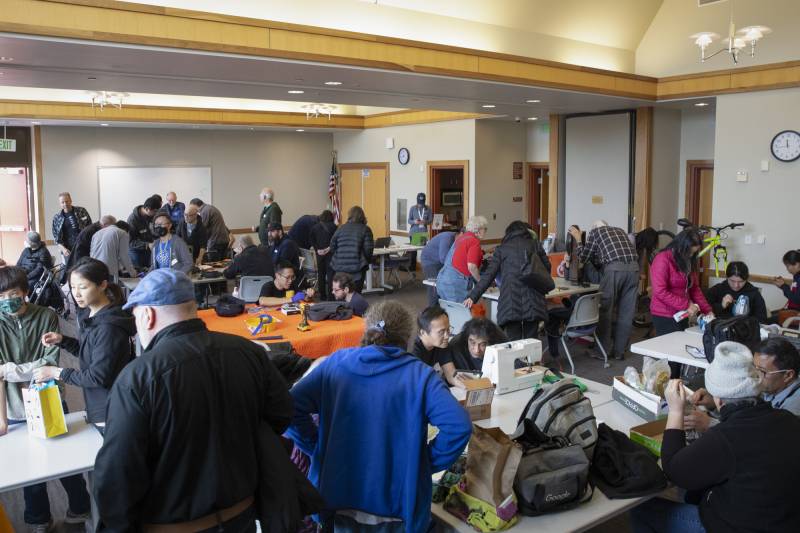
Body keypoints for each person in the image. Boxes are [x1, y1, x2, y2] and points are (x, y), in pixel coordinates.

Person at [92, 269, 296, 531]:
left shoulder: (137, 378)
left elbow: (117, 476)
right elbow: (281, 415)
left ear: (147, 315)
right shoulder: (248, 351)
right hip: (243, 516)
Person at [286, 300, 471, 532]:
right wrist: (424, 462)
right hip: (397, 505)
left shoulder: (335, 364)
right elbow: (459, 426)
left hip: (337, 497)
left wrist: (317, 446)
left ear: (368, 328)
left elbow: (288, 408)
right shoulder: (420, 375)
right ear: (408, 337)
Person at [630, 342, 800, 533]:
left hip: (744, 526)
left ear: (718, 398)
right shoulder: (788, 418)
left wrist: (675, 411)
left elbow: (674, 471)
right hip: (783, 520)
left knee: (640, 511)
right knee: (695, 488)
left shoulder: (725, 436)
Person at [0, 267, 91, 531]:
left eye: (13, 293)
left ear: (25, 293)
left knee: (65, 460)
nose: (7, 299)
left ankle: (80, 509)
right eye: (2, 295)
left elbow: (49, 363)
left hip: (49, 398)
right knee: (28, 470)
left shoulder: (46, 316)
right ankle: (38, 519)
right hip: (15, 407)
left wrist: (8, 370)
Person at [34, 258, 135, 427]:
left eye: (83, 287)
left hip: (111, 408)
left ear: (102, 285)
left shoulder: (108, 327)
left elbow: (96, 377)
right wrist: (63, 340)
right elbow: (92, 352)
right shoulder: (92, 314)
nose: (76, 293)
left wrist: (56, 372)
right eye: (73, 287)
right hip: (101, 404)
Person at [685, 338, 800, 435]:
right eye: (753, 368)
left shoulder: (794, 409)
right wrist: (719, 400)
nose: (754, 376)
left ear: (788, 375)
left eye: (762, 371)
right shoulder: (772, 387)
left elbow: (762, 439)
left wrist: (711, 425)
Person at [465, 221, 554, 341]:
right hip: (533, 299)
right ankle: (531, 360)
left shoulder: (501, 249)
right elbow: (547, 268)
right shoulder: (535, 245)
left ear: (509, 233)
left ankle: (516, 360)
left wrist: (473, 296)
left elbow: (488, 275)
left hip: (510, 302)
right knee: (532, 341)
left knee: (513, 342)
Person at [570, 221, 639, 360]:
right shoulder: (619, 229)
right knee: (627, 313)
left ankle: (601, 352)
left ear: (594, 228)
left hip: (614, 270)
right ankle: (619, 352)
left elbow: (584, 257)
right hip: (634, 270)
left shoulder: (595, 232)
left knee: (605, 310)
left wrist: (578, 239)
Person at [650, 228, 713, 378]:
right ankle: (666, 388)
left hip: (681, 314)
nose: (691, 255)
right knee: (668, 355)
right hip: (663, 314)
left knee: (678, 352)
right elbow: (660, 291)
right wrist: (686, 305)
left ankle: (674, 385)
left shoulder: (688, 261)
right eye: (689, 252)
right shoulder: (662, 259)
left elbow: (694, 288)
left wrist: (707, 310)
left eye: (694, 253)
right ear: (680, 246)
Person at [436, 215, 487, 303]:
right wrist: (481, 282)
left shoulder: (461, 238)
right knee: (460, 314)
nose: (485, 231)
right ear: (479, 229)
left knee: (449, 313)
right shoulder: (474, 241)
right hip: (454, 284)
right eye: (485, 229)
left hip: (442, 280)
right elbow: (472, 267)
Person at [410, 305, 459, 386]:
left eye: (448, 329)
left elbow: (451, 375)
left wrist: (467, 387)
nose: (447, 336)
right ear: (423, 333)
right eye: (441, 332)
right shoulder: (413, 355)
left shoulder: (441, 344)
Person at [329, 206, 374, 292]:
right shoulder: (365, 229)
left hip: (339, 267)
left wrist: (339, 256)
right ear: (362, 216)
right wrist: (365, 261)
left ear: (349, 216)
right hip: (357, 268)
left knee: (341, 294)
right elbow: (368, 250)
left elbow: (332, 246)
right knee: (355, 295)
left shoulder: (341, 228)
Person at [51, 192, 93, 264]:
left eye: (67, 201)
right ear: (60, 203)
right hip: (67, 250)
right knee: (70, 271)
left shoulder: (81, 211)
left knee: (84, 269)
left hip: (83, 247)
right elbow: (56, 238)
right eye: (62, 202)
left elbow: (90, 227)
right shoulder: (57, 218)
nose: (65, 204)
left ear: (70, 200)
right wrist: (63, 249)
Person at [420, 230, 456, 306]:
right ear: (461, 234)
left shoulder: (455, 240)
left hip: (439, 262)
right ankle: (432, 311)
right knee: (434, 287)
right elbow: (443, 258)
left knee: (442, 286)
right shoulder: (447, 237)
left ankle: (440, 309)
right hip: (429, 261)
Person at [127, 195, 161, 268]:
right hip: (136, 251)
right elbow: (131, 242)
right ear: (147, 209)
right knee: (139, 274)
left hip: (147, 249)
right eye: (155, 211)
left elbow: (152, 231)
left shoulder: (150, 215)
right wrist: (147, 245)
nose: (156, 213)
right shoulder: (132, 220)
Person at [310, 210, 337, 299]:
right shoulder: (334, 227)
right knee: (330, 275)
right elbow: (336, 241)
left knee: (321, 274)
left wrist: (317, 249)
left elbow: (312, 240)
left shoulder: (315, 227)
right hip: (331, 254)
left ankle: (322, 295)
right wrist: (328, 248)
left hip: (319, 254)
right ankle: (331, 295)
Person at [771, 250, 800, 323]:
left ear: (797, 264)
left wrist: (783, 286)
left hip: (795, 313)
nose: (787, 269)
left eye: (787, 266)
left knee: (766, 319)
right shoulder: (797, 276)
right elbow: (793, 294)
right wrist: (783, 285)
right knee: (767, 315)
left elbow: (796, 299)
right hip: (791, 310)